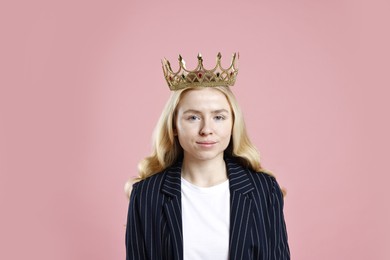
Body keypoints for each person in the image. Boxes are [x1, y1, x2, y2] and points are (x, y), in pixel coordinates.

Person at [125, 53, 290, 260]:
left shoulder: (264, 190)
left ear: (233, 124)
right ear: (174, 125)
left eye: (218, 117)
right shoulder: (147, 195)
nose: (206, 129)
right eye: (193, 117)